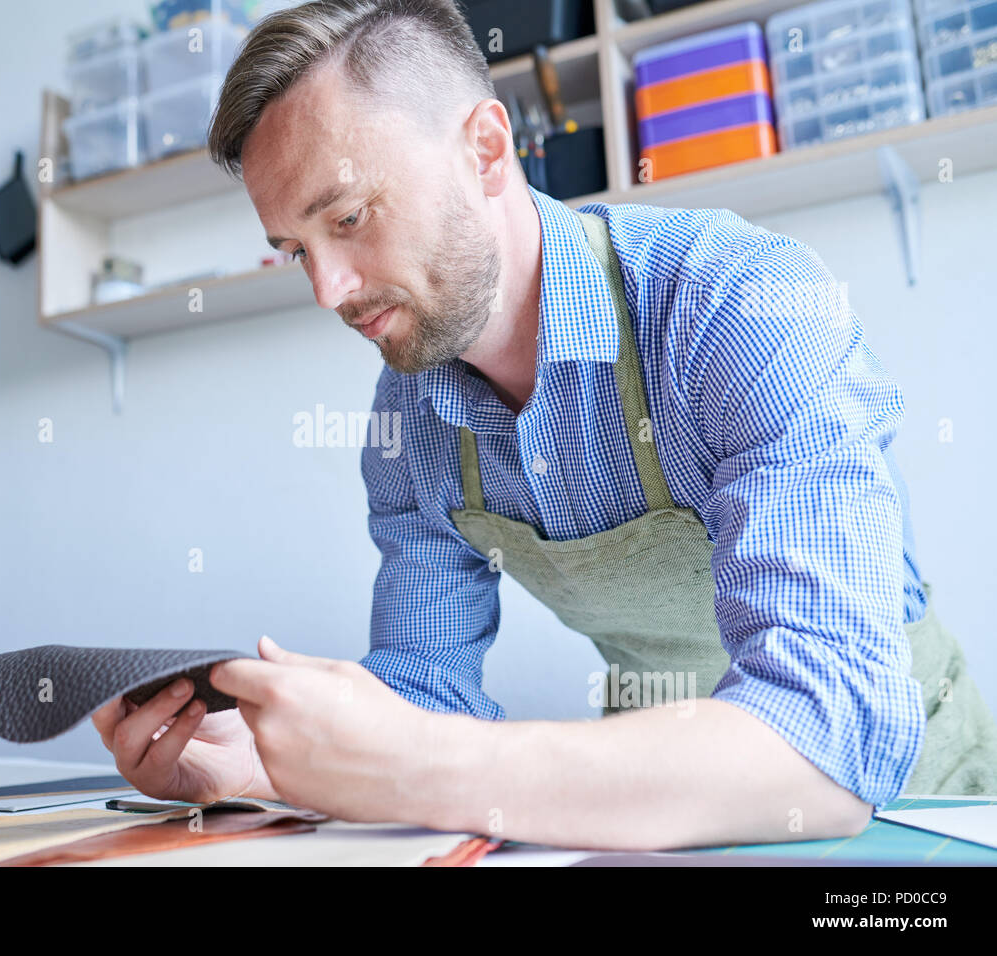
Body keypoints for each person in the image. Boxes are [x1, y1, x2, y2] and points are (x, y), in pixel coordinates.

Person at [93, 0, 997, 850]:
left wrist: (408, 764)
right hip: (648, 794)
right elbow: (427, 690)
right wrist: (263, 766)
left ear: (487, 151)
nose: (328, 290)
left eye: (350, 218)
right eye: (297, 251)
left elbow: (827, 738)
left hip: (915, 805)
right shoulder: (407, 418)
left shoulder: (737, 304)